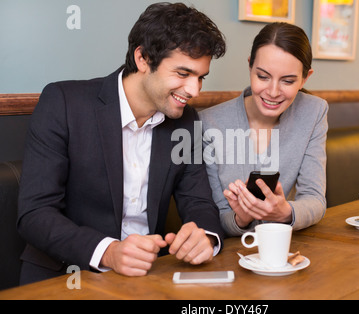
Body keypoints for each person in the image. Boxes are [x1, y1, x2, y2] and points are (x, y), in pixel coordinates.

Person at [17, 2, 226, 284]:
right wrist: (109, 252)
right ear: (143, 58)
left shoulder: (186, 120)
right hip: (64, 277)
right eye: (183, 73)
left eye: (200, 77)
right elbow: (35, 214)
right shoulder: (63, 102)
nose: (195, 90)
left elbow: (199, 202)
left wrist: (206, 237)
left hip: (147, 279)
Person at [199, 23, 328, 237]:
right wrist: (242, 218)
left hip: (288, 249)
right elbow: (219, 216)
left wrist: (285, 212)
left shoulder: (314, 111)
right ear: (250, 66)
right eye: (263, 77)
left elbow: (315, 199)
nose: (273, 92)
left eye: (287, 81)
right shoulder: (209, 123)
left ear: (305, 78)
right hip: (234, 255)